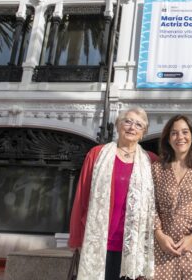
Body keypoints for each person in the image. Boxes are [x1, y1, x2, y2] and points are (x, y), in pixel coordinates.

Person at [68, 107, 158, 280]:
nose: (132, 127)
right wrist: (76, 237)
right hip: (100, 241)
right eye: (128, 121)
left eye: (138, 124)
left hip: (134, 245)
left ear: (143, 132)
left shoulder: (151, 160)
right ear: (118, 125)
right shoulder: (97, 154)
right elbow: (81, 197)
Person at [152, 114, 192, 279]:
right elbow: (149, 205)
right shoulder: (156, 169)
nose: (180, 137)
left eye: (185, 132)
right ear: (168, 138)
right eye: (174, 133)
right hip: (162, 248)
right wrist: (159, 235)